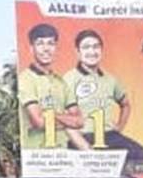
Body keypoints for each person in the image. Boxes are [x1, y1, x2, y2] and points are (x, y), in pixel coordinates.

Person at [62, 29, 143, 162]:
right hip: (83, 138)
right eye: (86, 47)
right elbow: (66, 124)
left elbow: (126, 104)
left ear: (101, 50)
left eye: (96, 47)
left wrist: (119, 127)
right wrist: (88, 151)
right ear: (78, 52)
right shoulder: (68, 79)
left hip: (110, 136)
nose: (92, 52)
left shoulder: (110, 79)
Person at [17, 23, 91, 151]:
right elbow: (39, 122)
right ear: (31, 48)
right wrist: (67, 120)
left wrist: (51, 115)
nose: (46, 49)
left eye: (50, 43)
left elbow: (79, 121)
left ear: (55, 47)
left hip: (63, 155)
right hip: (38, 158)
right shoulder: (25, 79)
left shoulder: (60, 83)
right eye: (40, 43)